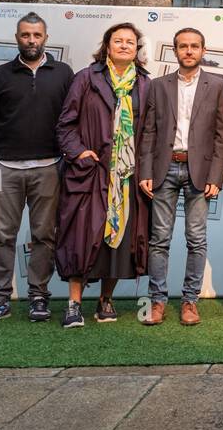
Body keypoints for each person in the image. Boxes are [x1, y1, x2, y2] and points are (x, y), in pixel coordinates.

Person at [0, 13, 74, 324]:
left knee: (44, 234)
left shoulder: (64, 73)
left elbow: (72, 119)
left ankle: (38, 297)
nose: (31, 40)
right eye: (26, 35)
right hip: (3, 169)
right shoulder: (0, 75)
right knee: (3, 235)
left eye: (37, 35)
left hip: (48, 168)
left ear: (46, 37)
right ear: (17, 37)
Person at [55, 23, 152, 329]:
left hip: (126, 176)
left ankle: (105, 300)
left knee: (120, 243)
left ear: (137, 49)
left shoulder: (145, 84)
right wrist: (79, 152)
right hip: (92, 173)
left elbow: (150, 130)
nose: (124, 46)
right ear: (107, 46)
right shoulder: (87, 77)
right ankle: (73, 303)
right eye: (118, 41)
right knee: (82, 238)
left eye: (130, 42)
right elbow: (65, 123)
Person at [138, 27, 223, 326]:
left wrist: (217, 175)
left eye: (194, 46)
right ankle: (157, 302)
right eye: (183, 46)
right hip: (164, 169)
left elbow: (222, 134)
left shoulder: (218, 84)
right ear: (176, 50)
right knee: (159, 239)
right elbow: (149, 131)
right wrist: (146, 171)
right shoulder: (158, 85)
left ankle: (190, 301)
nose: (188, 51)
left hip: (200, 172)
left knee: (197, 239)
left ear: (203, 51)